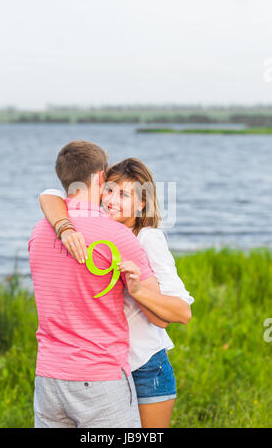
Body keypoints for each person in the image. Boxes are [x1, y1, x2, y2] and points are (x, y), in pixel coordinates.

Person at [39, 156, 194, 428]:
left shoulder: (148, 239)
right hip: (106, 369)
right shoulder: (99, 231)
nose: (111, 199)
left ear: (142, 202)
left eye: (124, 194)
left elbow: (182, 312)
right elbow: (50, 195)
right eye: (108, 190)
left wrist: (139, 291)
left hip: (145, 368)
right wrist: (64, 228)